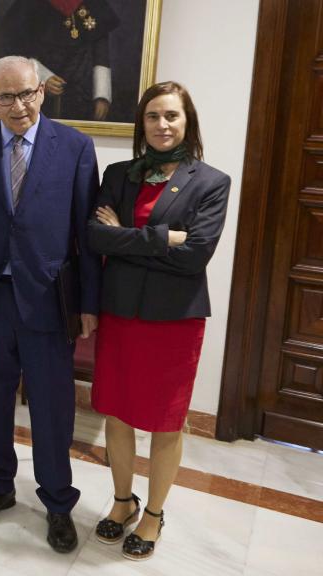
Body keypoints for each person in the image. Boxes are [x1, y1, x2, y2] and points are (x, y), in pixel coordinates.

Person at [0, 55, 100, 553]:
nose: (18, 105)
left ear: (42, 91)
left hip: (49, 300)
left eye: (26, 93)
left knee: (53, 407)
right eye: (5, 97)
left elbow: (86, 234)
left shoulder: (74, 147)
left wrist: (88, 302)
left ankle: (57, 502)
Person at [88, 81, 230, 561]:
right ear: (141, 123)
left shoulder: (211, 182)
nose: (162, 125)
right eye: (153, 116)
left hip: (174, 321)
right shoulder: (118, 173)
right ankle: (122, 501)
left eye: (171, 116)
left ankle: (153, 513)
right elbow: (94, 238)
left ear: (187, 121)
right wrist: (164, 238)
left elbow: (195, 257)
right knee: (118, 412)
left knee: (166, 422)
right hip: (121, 311)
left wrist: (127, 236)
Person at [0, 0, 120, 121]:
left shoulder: (95, 3)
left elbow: (101, 54)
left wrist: (101, 96)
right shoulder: (28, 3)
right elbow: (13, 48)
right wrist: (42, 76)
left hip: (82, 94)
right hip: (38, 95)